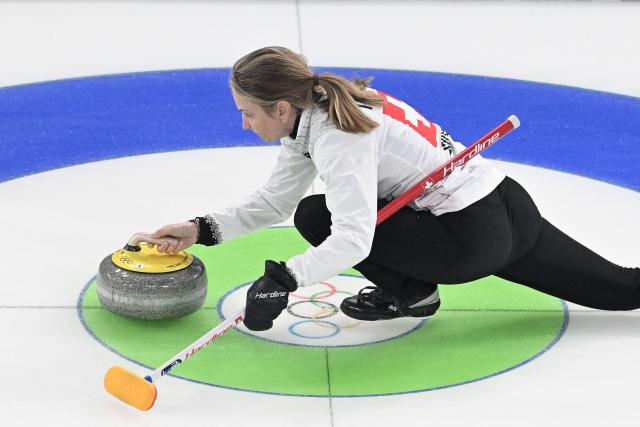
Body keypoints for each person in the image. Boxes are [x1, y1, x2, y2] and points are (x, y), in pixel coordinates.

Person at [148, 46, 640, 332]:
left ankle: (414, 294)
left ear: (280, 107)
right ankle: (413, 289)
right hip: (506, 206)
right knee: (623, 289)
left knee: (318, 218)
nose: (243, 124)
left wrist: (285, 279)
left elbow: (353, 239)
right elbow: (275, 199)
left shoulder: (339, 137)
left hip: (466, 239)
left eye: (247, 112)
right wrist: (199, 229)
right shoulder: (322, 108)